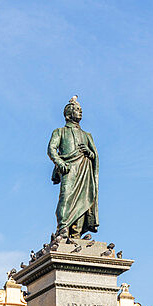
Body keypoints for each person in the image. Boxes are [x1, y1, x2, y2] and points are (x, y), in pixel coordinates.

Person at [47, 96, 99, 238]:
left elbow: (94, 155)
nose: (80, 111)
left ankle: (76, 234)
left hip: (84, 169)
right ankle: (63, 228)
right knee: (66, 197)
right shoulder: (60, 132)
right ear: (68, 113)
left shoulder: (87, 135)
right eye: (77, 109)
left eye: (81, 110)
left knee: (84, 199)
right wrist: (60, 162)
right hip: (69, 168)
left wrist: (89, 153)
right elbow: (51, 149)